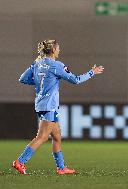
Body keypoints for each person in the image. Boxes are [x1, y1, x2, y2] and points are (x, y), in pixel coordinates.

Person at [12, 39, 104, 175]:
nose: (59, 50)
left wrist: (41, 82)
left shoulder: (37, 63)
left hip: (41, 104)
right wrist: (92, 72)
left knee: (57, 137)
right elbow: (76, 80)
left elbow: (23, 79)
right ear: (54, 50)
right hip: (49, 105)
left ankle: (61, 168)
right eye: (58, 48)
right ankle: (20, 161)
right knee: (42, 137)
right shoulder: (57, 65)